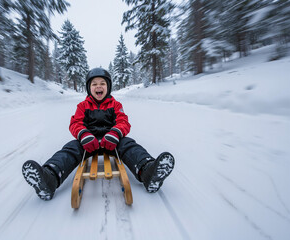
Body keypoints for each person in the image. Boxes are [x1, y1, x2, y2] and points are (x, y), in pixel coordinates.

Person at [22, 68, 175, 200]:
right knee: (71, 148)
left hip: (112, 142)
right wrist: (83, 135)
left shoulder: (116, 105)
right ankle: (50, 178)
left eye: (102, 83)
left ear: (108, 87)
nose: (98, 87)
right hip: (89, 142)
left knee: (129, 144)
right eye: (94, 84)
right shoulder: (82, 106)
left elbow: (123, 121)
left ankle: (148, 171)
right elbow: (75, 123)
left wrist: (116, 133)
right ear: (89, 88)